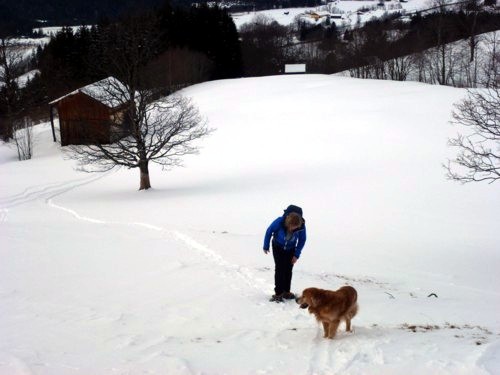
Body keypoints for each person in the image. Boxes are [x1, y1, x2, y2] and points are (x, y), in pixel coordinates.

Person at [263, 204, 307, 302]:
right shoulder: (279, 221)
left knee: (288, 269)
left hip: (291, 248)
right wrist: (266, 245)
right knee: (280, 268)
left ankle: (286, 292)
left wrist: (296, 255)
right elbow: (269, 231)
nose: (292, 229)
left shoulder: (301, 226)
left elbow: (302, 240)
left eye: (295, 227)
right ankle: (278, 294)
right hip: (278, 246)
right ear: (287, 221)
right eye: (291, 226)